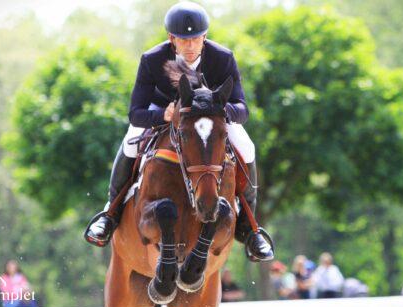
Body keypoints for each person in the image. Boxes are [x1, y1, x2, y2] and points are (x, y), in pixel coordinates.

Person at [83, 1, 274, 262]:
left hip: (211, 117)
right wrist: (162, 115)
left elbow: (242, 107)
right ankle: (110, 214)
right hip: (165, 113)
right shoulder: (152, 59)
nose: (191, 46)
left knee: (247, 146)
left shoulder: (222, 58)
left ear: (204, 37)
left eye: (196, 39)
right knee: (130, 140)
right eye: (184, 40)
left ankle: (250, 228)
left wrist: (220, 110)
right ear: (171, 38)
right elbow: (135, 112)